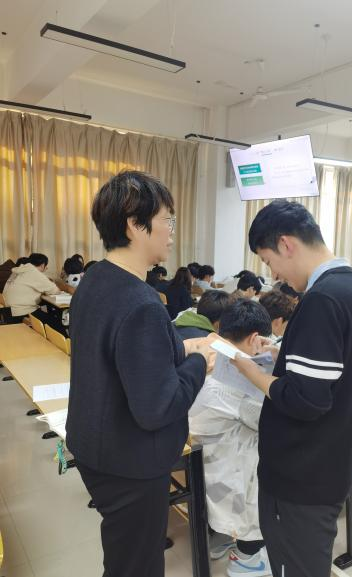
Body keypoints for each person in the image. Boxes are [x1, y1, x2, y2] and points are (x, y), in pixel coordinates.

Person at [65, 170, 212, 577]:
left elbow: (118, 353)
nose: (171, 233)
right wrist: (199, 363)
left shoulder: (96, 280)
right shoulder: (141, 302)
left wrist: (180, 348)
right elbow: (157, 407)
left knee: (123, 555)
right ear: (134, 224)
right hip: (130, 461)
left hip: (95, 446)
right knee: (138, 565)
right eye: (168, 220)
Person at [230, 200, 352, 577]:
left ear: (286, 244)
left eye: (269, 261)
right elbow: (335, 370)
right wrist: (283, 354)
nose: (274, 274)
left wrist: (249, 369)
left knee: (296, 566)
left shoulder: (322, 299)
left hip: (302, 474)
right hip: (330, 463)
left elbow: (305, 399)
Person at [189, 299, 273, 577]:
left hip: (200, 458)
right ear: (254, 338)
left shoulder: (202, 351)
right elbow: (264, 420)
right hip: (226, 473)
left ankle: (223, 539)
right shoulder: (232, 379)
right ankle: (247, 559)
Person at [3, 252, 61, 323]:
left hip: (8, 311)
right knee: (55, 322)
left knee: (46, 312)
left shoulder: (20, 269)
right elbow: (55, 291)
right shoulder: (35, 273)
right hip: (20, 313)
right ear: (43, 265)